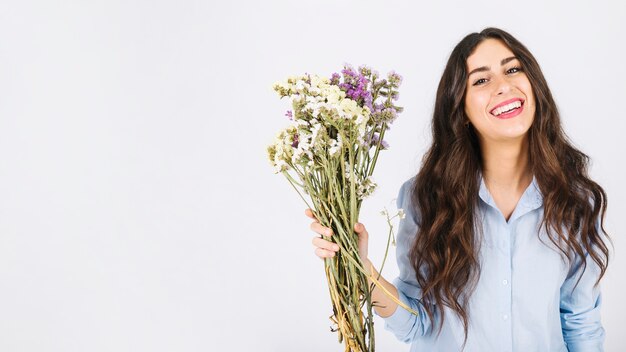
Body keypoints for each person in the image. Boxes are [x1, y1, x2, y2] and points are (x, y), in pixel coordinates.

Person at [305, 27, 611, 352]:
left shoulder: (574, 199)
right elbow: (416, 323)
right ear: (461, 110)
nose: (503, 86)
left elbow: (581, 326)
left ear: (534, 85)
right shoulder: (425, 198)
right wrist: (359, 265)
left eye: (512, 69)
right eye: (481, 80)